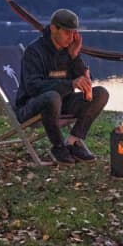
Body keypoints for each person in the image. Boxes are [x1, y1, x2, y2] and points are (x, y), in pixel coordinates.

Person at [14, 8, 109, 164]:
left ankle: (72, 142)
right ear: (53, 28)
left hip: (63, 103)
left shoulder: (68, 50)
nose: (71, 38)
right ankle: (58, 146)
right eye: (67, 33)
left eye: (73, 33)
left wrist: (74, 56)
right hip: (32, 106)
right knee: (52, 97)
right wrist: (70, 84)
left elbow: (85, 80)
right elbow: (33, 87)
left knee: (101, 93)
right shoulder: (34, 51)